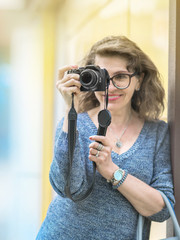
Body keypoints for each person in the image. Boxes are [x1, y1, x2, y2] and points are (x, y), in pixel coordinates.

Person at [36, 36, 175, 240]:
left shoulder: (157, 132)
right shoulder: (75, 123)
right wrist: (69, 108)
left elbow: (162, 209)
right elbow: (65, 187)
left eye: (120, 77)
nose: (109, 88)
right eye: (102, 77)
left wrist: (112, 171)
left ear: (139, 80)